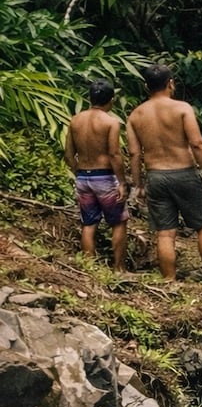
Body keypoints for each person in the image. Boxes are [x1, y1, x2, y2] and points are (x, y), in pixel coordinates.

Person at [126, 64, 202, 284]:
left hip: (156, 176)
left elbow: (134, 153)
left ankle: (169, 279)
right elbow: (197, 143)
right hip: (185, 173)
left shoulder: (136, 115)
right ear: (170, 83)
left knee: (165, 233)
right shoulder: (182, 108)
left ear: (146, 86)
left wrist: (138, 185)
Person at [64, 79, 129, 271]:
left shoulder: (75, 120)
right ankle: (119, 269)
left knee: (89, 223)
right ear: (112, 100)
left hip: (83, 177)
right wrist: (122, 182)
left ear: (89, 98)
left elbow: (68, 154)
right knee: (118, 222)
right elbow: (114, 154)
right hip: (105, 177)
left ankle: (89, 269)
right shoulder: (111, 122)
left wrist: (78, 171)